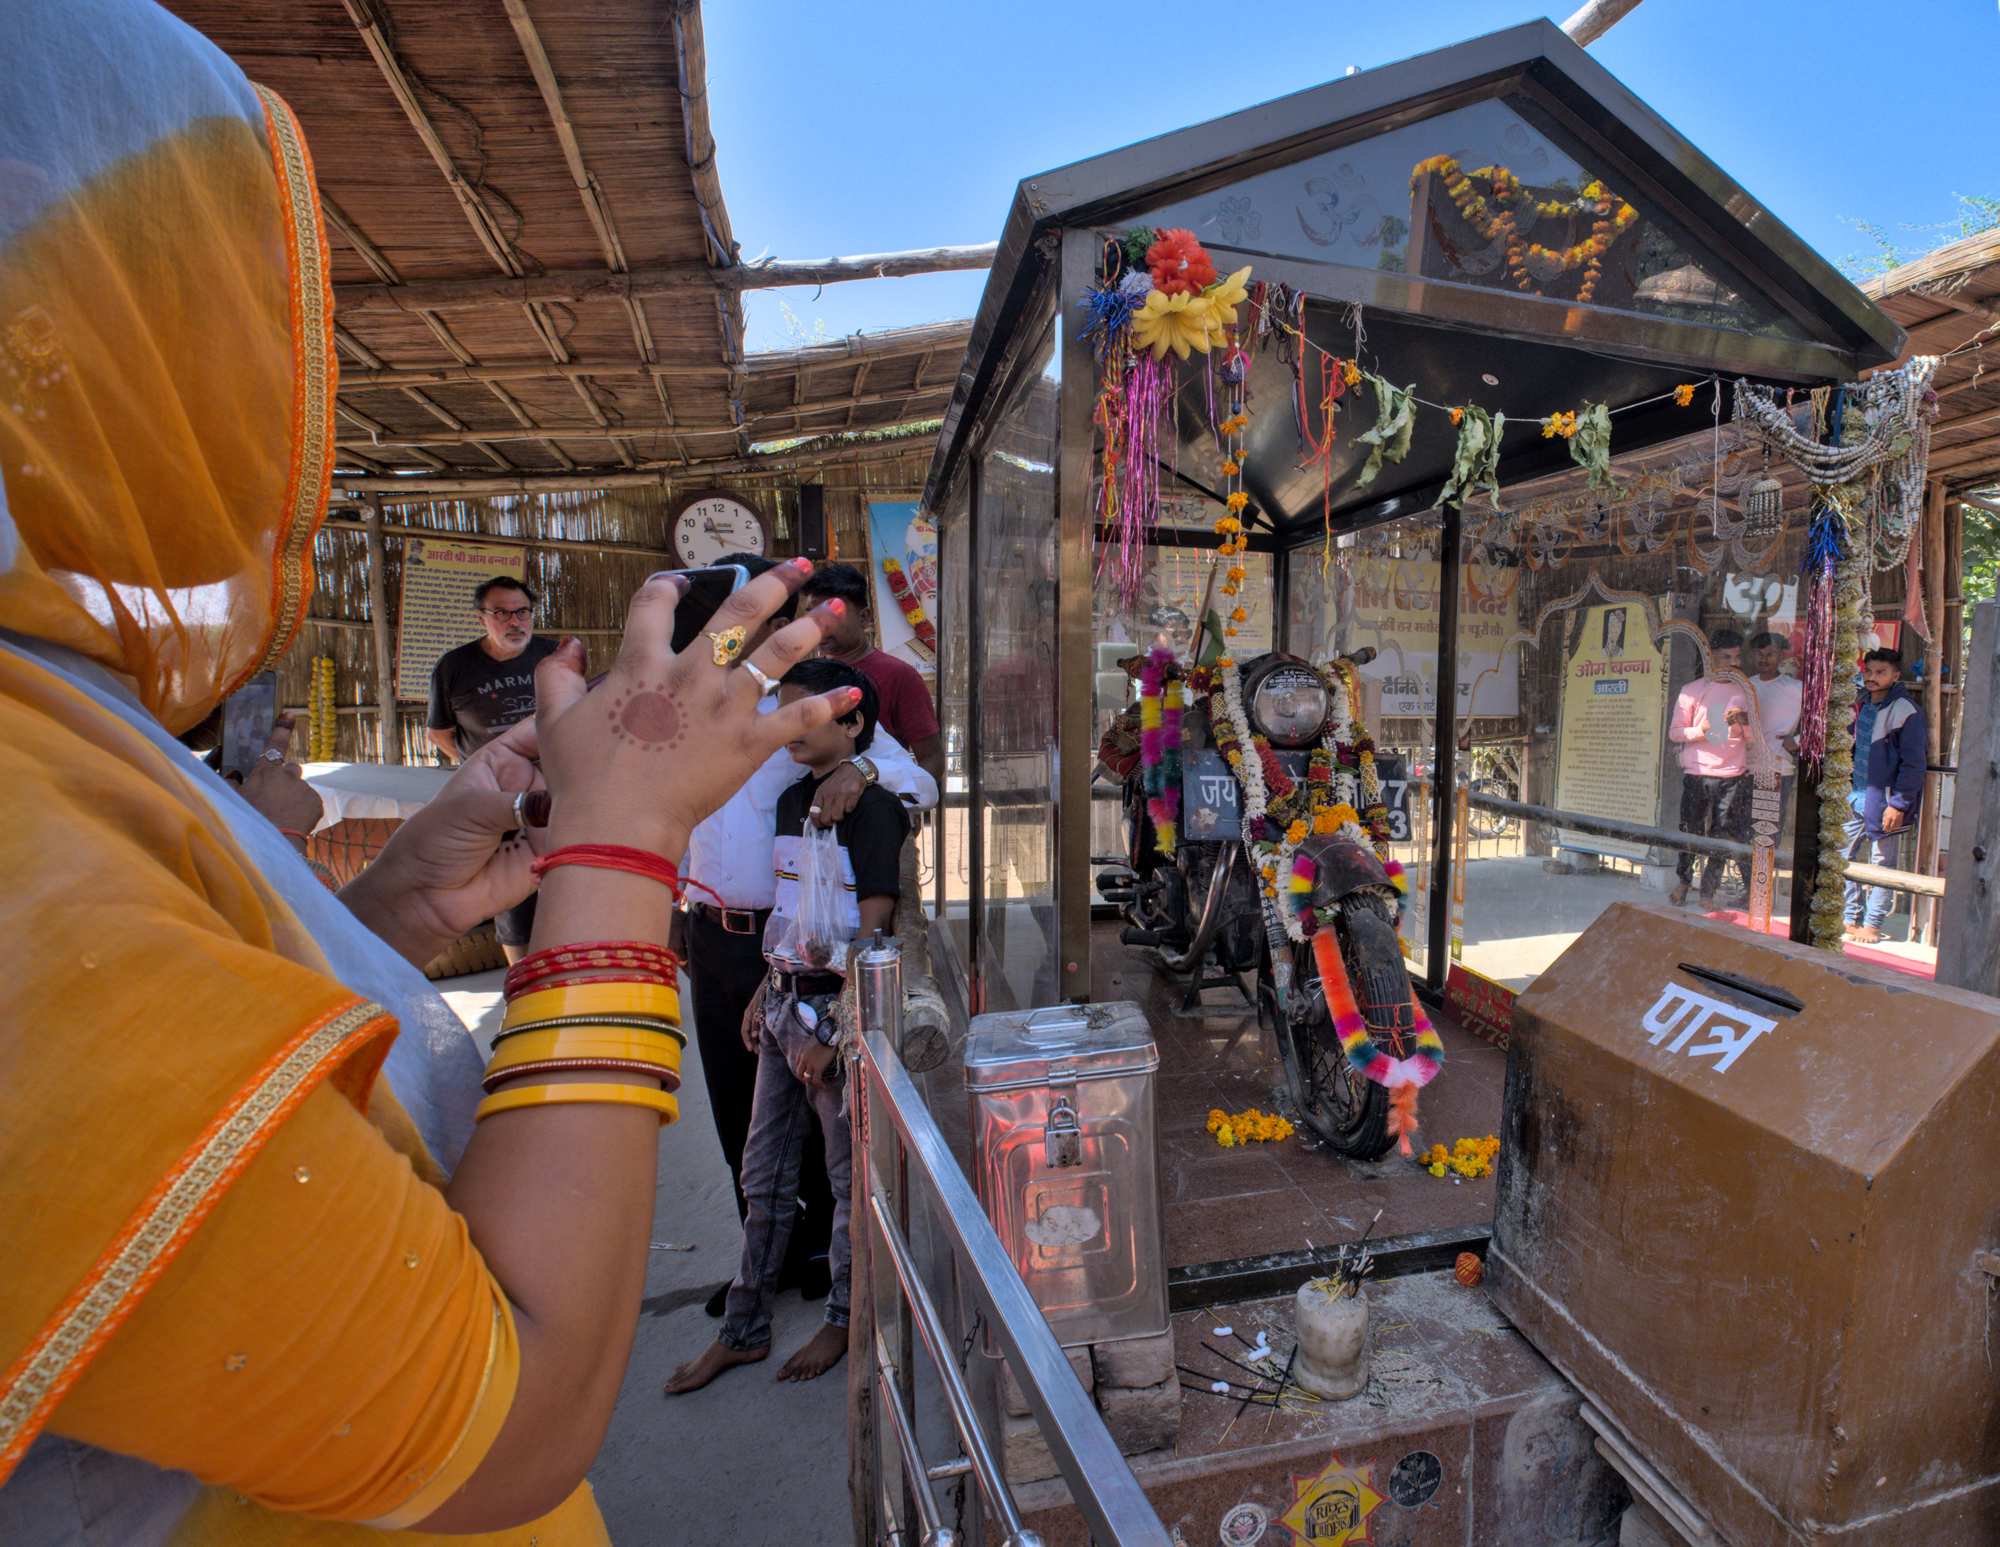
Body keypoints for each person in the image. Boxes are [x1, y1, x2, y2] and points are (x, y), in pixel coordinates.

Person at [0, 6, 855, 1539]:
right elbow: (509, 1421)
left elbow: (226, 1109)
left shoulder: (45, 723)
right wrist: (618, 849)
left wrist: (381, 919)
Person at [677, 556, 938, 1319]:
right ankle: (765, 1253)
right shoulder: (680, 713)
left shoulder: (801, 703)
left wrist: (865, 771)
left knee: (821, 1106)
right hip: (710, 935)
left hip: (793, 935)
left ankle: (829, 1251)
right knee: (739, 1102)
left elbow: (919, 781)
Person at [666, 659, 905, 1395]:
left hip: (830, 1008)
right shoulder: (790, 799)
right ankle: (744, 1327)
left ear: (854, 724)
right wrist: (767, 989)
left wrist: (837, 1024)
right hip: (779, 997)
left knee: (842, 1173)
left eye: (809, 715)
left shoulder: (872, 807)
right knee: (761, 1169)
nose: (790, 728)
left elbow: (873, 927)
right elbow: (791, 909)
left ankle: (844, 1316)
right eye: (788, 713)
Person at [427, 576, 560, 960]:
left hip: (556, 791)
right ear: (481, 618)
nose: (514, 621)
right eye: (501, 613)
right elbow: (440, 733)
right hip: (495, 799)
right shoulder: (454, 667)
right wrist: (481, 770)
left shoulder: (554, 657)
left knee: (564, 878)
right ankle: (518, 981)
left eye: (522, 612)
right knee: (511, 889)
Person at [798, 561, 945, 788]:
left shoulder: (899, 676)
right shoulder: (805, 678)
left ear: (864, 617)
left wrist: (896, 800)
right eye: (813, 616)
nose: (821, 625)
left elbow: (932, 759)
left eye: (832, 614)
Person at [1843, 648, 1927, 944]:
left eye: (1881, 672)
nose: (1873, 677)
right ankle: (1849, 917)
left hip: (1885, 801)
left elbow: (1914, 763)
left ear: (1895, 676)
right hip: (1854, 796)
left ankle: (1873, 925)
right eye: (1869, 671)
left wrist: (1899, 804)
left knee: (1882, 864)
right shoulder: (1861, 705)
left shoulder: (1906, 710)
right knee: (1841, 857)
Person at [1666, 630, 1752, 908]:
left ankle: (1708, 892)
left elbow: (1754, 738)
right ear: (1710, 658)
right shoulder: (1691, 690)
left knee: (1722, 834)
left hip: (1732, 774)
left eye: (1737, 657)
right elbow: (1675, 733)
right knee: (1690, 830)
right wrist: (1701, 730)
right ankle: (1683, 882)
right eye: (1726, 657)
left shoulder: (1746, 691)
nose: (1733, 663)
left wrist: (1744, 722)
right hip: (1697, 772)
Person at [1747, 630, 1803, 831]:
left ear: (1781, 656)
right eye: (1759, 653)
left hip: (1777, 768)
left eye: (1770, 654)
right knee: (1741, 829)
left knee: (1767, 829)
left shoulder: (1796, 688)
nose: (1764, 659)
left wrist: (1797, 741)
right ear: (1752, 655)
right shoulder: (1745, 685)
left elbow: (1822, 722)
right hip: (1743, 769)